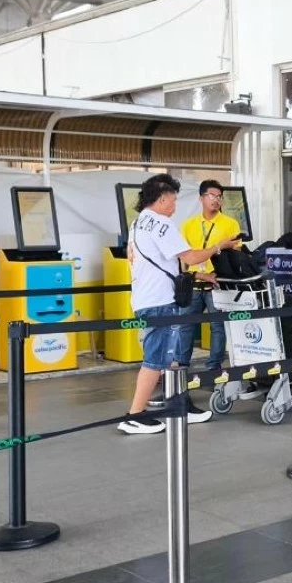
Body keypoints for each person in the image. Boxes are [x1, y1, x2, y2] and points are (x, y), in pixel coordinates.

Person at [120, 174, 236, 434]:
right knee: (156, 359)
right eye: (173, 200)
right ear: (162, 199)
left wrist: (200, 276)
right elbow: (191, 256)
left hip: (145, 297)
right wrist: (219, 247)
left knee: (170, 358)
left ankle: (178, 404)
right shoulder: (162, 224)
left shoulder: (138, 223)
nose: (175, 207)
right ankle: (134, 414)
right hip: (160, 301)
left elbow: (165, 264)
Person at [180, 180, 243, 376]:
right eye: (211, 196)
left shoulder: (230, 224)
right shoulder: (188, 225)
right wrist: (193, 274)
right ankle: (182, 365)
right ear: (201, 198)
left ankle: (214, 366)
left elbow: (237, 254)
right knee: (186, 325)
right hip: (194, 281)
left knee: (218, 326)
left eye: (219, 197)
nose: (216, 200)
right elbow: (183, 256)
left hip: (217, 283)